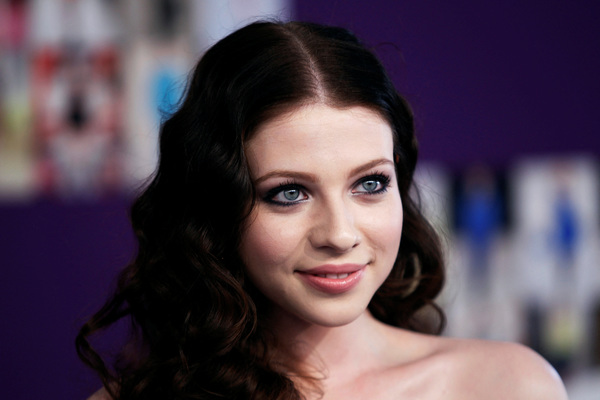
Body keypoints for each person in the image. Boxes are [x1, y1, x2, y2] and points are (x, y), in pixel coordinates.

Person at [77, 20, 568, 400]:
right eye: (289, 193)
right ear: (215, 207)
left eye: (370, 183)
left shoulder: (509, 385)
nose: (339, 233)